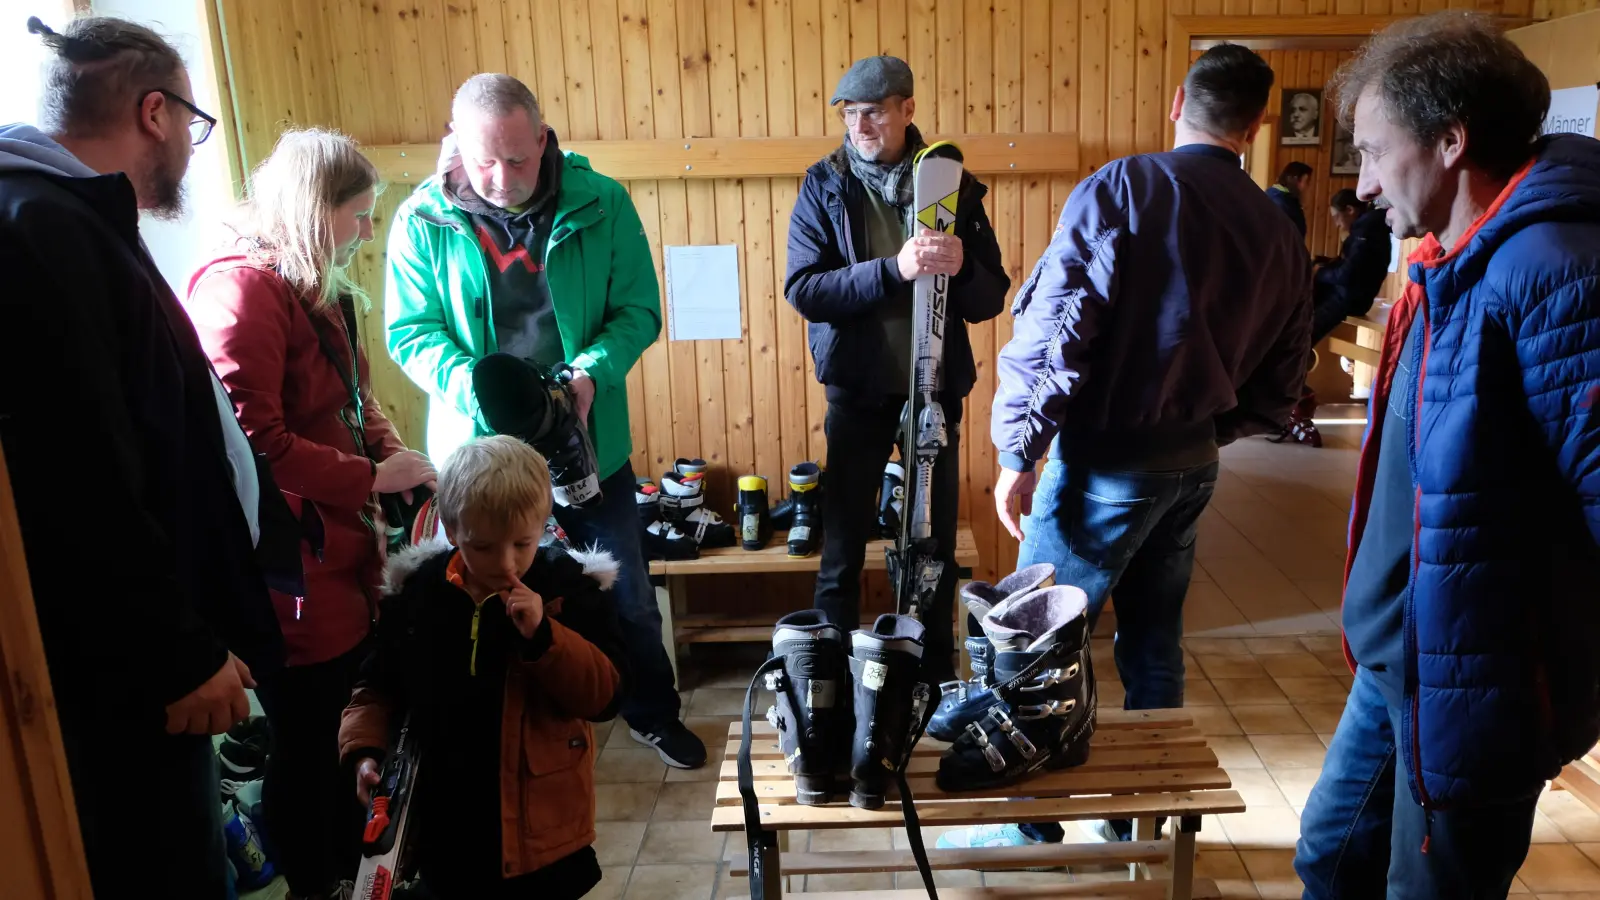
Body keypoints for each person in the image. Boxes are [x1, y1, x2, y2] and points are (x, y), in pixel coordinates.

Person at [944, 42, 1311, 851]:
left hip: (1106, 461)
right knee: (1154, 638)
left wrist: (1017, 452)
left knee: (1035, 644)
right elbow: (1284, 377)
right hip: (1193, 467)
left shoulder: (1127, 188)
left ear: (1178, 99)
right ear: (1253, 127)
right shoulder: (1276, 228)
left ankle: (1029, 825)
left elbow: (1057, 326)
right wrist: (1211, 431)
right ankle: (1140, 811)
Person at [1295, 13, 1600, 897]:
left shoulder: (1553, 268)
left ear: (1451, 141)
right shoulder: (1451, 258)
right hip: (1405, 661)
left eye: (1373, 151)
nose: (1360, 184)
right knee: (1330, 858)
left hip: (1482, 685)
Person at [0, 16, 299, 897]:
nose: (194, 152)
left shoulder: (77, 218)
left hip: (160, 654)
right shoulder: (38, 229)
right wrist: (179, 651)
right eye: (198, 126)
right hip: (135, 677)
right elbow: (79, 480)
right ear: (156, 112)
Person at [385, 73, 704, 767]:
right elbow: (410, 332)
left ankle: (653, 711)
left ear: (544, 138)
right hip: (477, 446)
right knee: (471, 587)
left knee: (627, 590)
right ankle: (491, 731)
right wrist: (484, 392)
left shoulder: (604, 201)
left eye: (519, 159)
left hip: (587, 435)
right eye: (484, 161)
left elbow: (639, 310)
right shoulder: (420, 219)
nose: (502, 177)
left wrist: (590, 370)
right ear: (456, 145)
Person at [186, 128, 438, 900]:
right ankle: (318, 881)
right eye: (358, 216)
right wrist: (369, 475)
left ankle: (361, 873)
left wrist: (400, 461)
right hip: (294, 570)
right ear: (310, 208)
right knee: (309, 741)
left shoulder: (306, 281)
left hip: (342, 558)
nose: (367, 234)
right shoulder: (242, 291)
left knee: (349, 728)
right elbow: (254, 444)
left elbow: (352, 401)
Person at [784, 55, 1010, 683]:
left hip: (933, 392)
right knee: (843, 544)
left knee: (932, 544)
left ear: (907, 110)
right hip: (856, 392)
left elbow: (991, 297)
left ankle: (933, 682)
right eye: (851, 113)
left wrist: (962, 265)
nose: (860, 125)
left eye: (874, 111)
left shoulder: (951, 184)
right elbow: (805, 289)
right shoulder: (824, 183)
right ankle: (823, 681)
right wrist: (895, 270)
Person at [340, 435, 626, 899]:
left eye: (522, 543)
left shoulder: (569, 590)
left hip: (540, 835)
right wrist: (363, 750)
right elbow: (376, 684)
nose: (506, 562)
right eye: (484, 546)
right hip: (445, 827)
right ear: (452, 531)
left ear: (543, 524)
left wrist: (545, 637)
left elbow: (606, 695)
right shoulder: (418, 594)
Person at [1310, 188, 1391, 342]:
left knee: (1304, 332)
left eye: (1337, 218)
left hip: (1352, 299)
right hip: (1351, 295)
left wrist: (1319, 272)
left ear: (1350, 210)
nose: (1337, 224)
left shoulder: (1366, 232)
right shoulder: (1366, 228)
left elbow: (1348, 274)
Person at [1267, 161, 1313, 237]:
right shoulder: (1279, 203)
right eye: (1306, 182)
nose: (1308, 187)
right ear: (1295, 179)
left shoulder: (1287, 199)